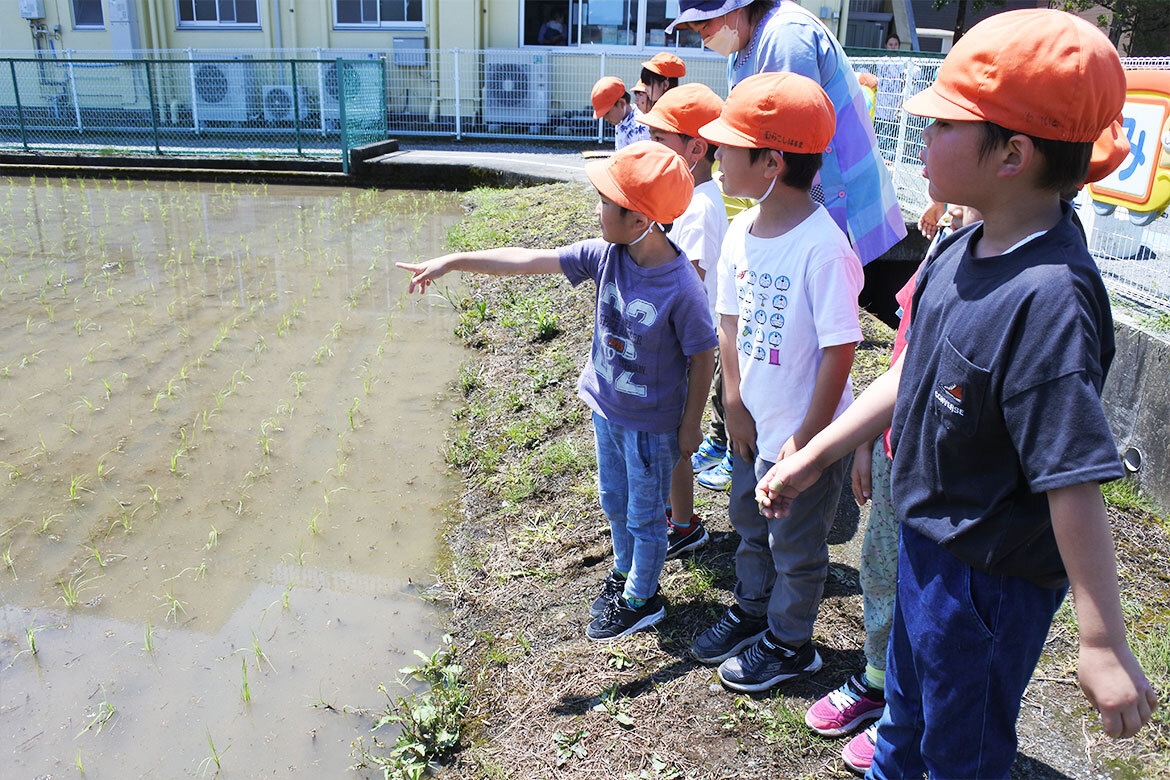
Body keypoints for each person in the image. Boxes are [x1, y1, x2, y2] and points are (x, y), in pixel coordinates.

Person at [756, 10, 1158, 778]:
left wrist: (1102, 638)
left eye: (945, 123)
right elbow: (911, 371)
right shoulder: (962, 245)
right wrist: (817, 450)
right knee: (907, 713)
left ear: (1013, 152)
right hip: (926, 538)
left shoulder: (1050, 299)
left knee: (960, 746)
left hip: (990, 575)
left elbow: (1071, 473)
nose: (925, 136)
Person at [397, 142, 716, 642]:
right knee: (614, 500)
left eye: (606, 201)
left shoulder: (682, 288)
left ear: (641, 222)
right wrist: (454, 260)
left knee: (647, 513)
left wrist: (692, 422)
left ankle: (643, 599)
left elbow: (703, 356)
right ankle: (624, 573)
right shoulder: (607, 254)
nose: (596, 207)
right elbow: (527, 261)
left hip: (651, 426)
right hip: (606, 411)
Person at [689, 72, 863, 693]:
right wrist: (732, 403)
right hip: (752, 425)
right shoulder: (740, 232)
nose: (715, 155)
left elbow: (840, 352)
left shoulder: (823, 247)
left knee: (797, 544)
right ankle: (753, 608)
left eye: (728, 146)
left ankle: (791, 643)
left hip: (801, 439)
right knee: (749, 523)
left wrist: (808, 445)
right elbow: (729, 325)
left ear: (772, 161)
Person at [804, 203, 981, 775]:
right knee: (880, 573)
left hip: (944, 483)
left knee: (929, 601)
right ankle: (880, 683)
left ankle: (915, 709)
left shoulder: (1016, 276)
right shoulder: (946, 246)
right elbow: (902, 355)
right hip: (891, 452)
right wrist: (865, 438)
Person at [667, 0, 906, 267]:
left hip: (830, 194)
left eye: (705, 24)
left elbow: (786, 136)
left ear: (737, 8)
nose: (704, 37)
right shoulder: (741, 44)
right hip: (792, 198)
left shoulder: (787, 35)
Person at [637, 82, 729, 559]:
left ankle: (683, 523)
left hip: (684, 342)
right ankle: (682, 519)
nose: (652, 148)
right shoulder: (695, 198)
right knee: (674, 438)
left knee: (676, 438)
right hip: (688, 338)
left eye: (661, 140)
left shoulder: (697, 206)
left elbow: (685, 282)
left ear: (696, 149)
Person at [590, 76, 650, 150]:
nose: (605, 118)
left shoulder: (639, 127)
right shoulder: (622, 119)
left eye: (607, 113)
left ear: (621, 103)